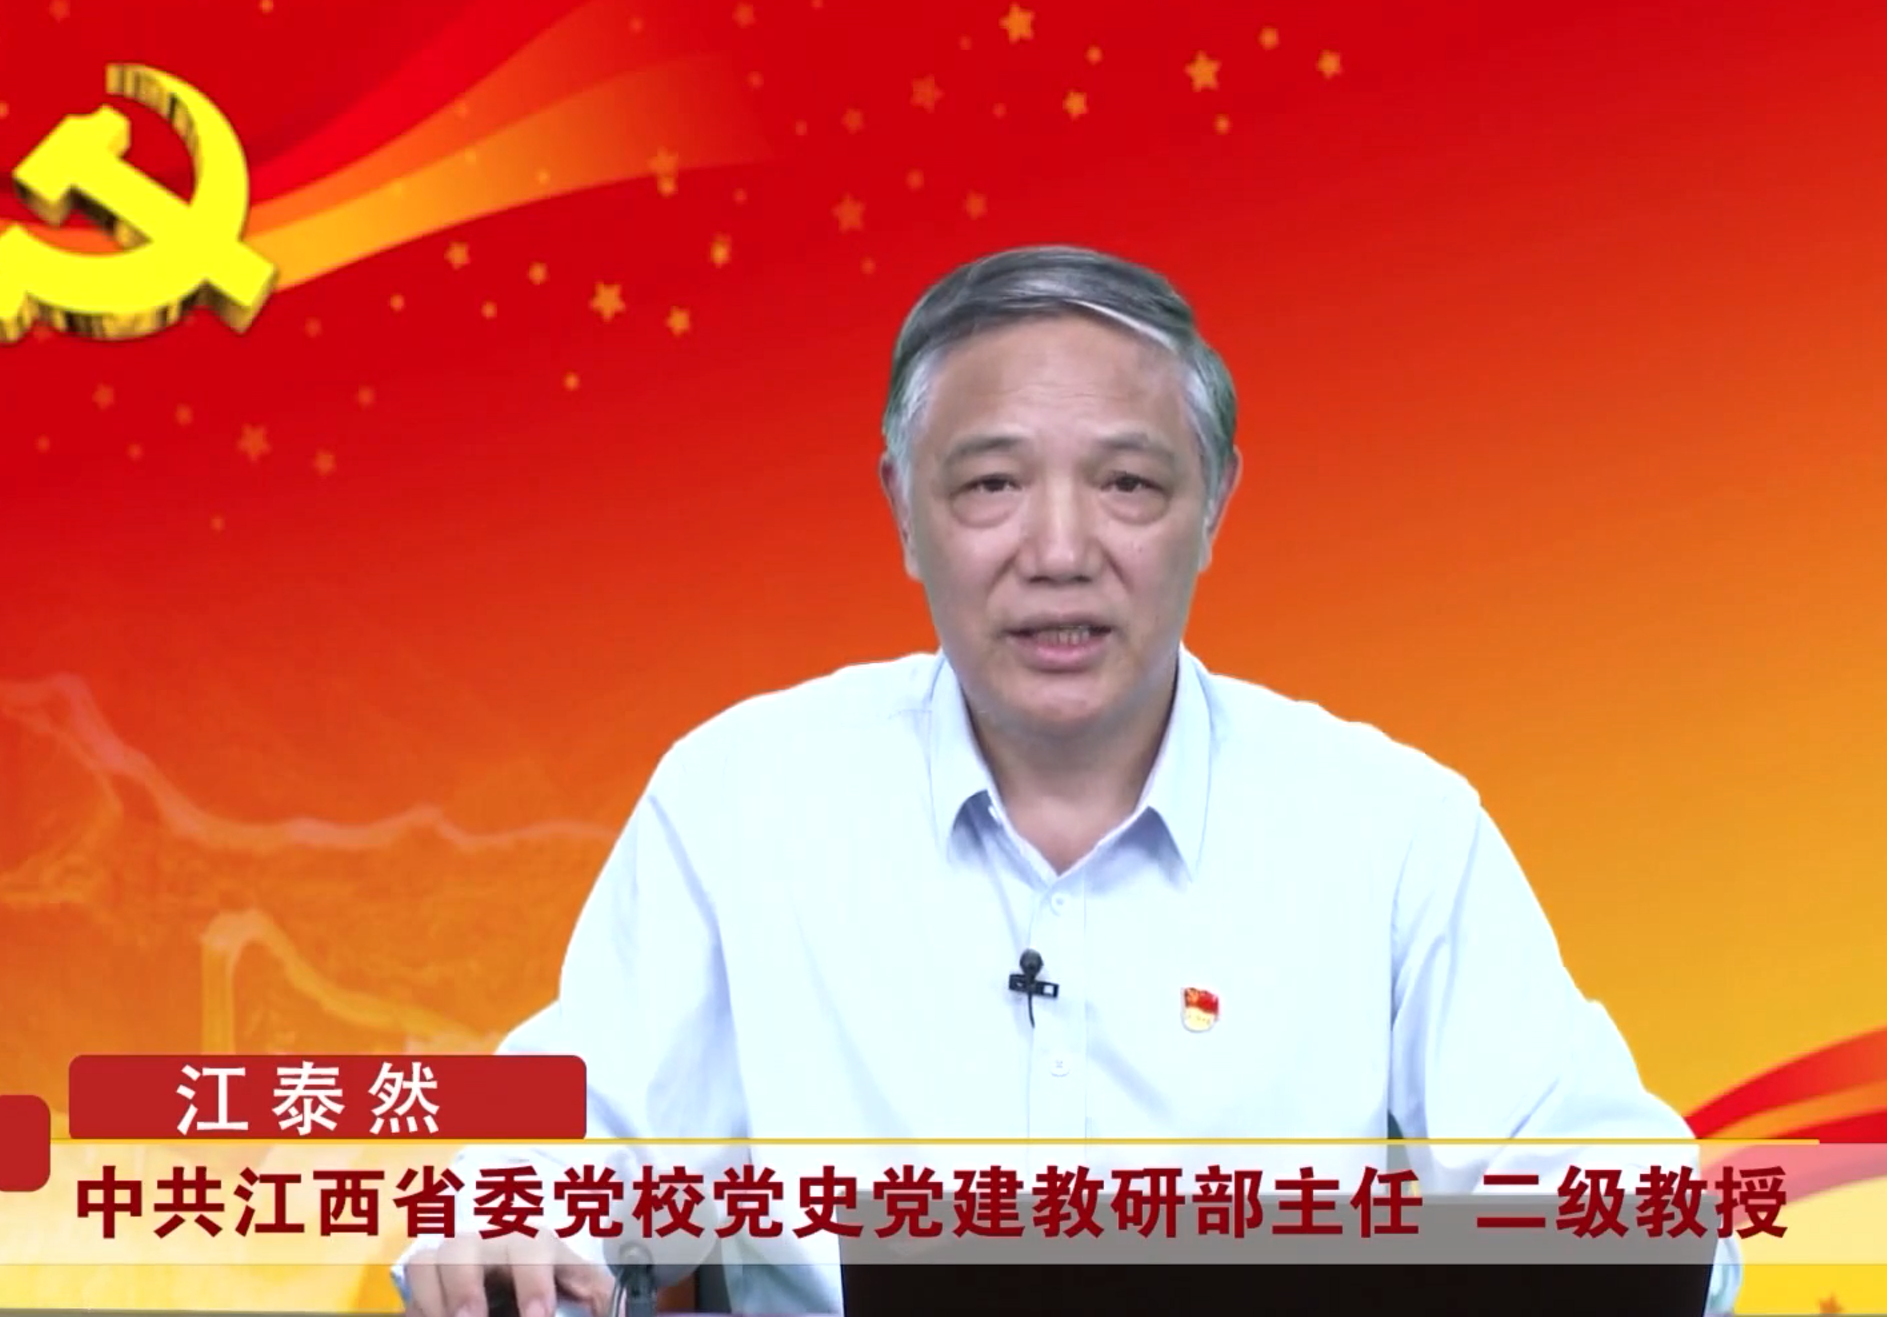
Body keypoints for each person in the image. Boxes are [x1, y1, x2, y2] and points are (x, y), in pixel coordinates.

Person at [396, 245, 1742, 1317]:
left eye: (1128, 485)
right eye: (990, 484)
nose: (1057, 549)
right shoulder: (746, 800)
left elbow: (1641, 1213)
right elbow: (560, 1141)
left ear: (1215, 502)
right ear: (900, 504)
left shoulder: (1388, 830)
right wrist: (500, 1221)